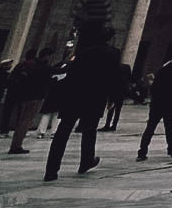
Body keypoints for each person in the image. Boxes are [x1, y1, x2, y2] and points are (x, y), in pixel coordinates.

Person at [44, 21, 122, 181]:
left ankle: (51, 170)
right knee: (89, 130)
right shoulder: (112, 53)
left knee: (63, 132)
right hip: (95, 97)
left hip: (74, 95)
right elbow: (113, 76)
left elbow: (71, 72)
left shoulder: (82, 51)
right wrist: (112, 97)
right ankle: (86, 161)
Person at [138, 42, 172, 161]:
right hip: (169, 104)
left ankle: (142, 151)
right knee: (169, 128)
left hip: (158, 103)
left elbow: (157, 86)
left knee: (151, 127)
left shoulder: (165, 66)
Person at [8, 47, 53, 154]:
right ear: (47, 56)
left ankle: (16, 144)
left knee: (22, 120)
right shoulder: (41, 66)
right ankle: (16, 146)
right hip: (34, 96)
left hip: (24, 96)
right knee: (26, 121)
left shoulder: (28, 65)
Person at [100, 62, 131, 131]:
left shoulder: (114, 67)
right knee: (118, 110)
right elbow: (129, 78)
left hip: (114, 91)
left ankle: (107, 124)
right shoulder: (127, 67)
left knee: (111, 109)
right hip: (121, 91)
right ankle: (114, 125)